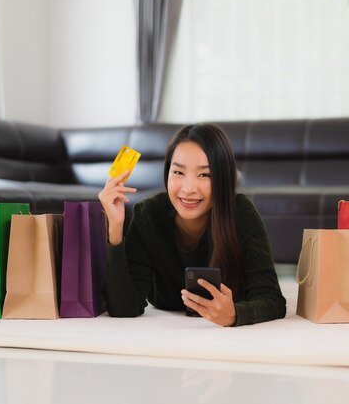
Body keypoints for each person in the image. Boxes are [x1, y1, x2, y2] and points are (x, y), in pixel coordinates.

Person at [99, 123, 287, 326]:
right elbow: (124, 307)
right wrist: (115, 227)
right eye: (178, 172)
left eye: (204, 175)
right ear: (167, 172)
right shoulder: (148, 215)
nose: (188, 189)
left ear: (222, 178)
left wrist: (235, 314)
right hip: (169, 337)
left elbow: (272, 301)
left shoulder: (240, 213)